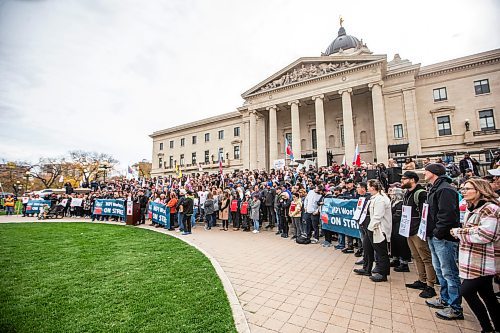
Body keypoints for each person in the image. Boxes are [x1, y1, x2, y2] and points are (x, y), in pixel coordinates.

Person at [450, 179, 499, 332]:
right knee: (488, 295)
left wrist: (459, 232)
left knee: (466, 291)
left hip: (484, 261)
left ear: (479, 190)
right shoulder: (472, 208)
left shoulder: (490, 209)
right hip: (473, 259)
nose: (463, 191)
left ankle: (487, 327)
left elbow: (486, 235)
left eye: (467, 188)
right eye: (462, 188)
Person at [423, 163, 463, 320]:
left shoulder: (445, 189)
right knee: (440, 270)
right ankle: (445, 299)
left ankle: (455, 307)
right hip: (434, 236)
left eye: (427, 171)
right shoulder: (435, 188)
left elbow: (447, 215)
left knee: (449, 272)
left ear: (434, 173)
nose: (424, 173)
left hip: (443, 238)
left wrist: (437, 233)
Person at [400, 171, 437, 299]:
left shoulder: (421, 194)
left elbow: (424, 214)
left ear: (412, 180)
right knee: (416, 256)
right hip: (408, 230)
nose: (402, 181)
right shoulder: (407, 193)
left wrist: (421, 230)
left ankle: (430, 285)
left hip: (417, 231)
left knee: (426, 257)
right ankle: (422, 280)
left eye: (404, 179)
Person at [365, 179, 392, 282]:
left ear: (373, 187)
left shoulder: (380, 199)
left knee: (381, 252)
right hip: (374, 228)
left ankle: (383, 273)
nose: (367, 187)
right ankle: (368, 268)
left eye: (368, 185)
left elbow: (377, 216)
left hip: (379, 229)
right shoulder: (375, 198)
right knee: (369, 248)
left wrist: (370, 228)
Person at [390, 188, 412, 273]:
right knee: (394, 242)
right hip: (393, 226)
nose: (391, 195)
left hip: (399, 226)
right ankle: (395, 259)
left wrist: (389, 219)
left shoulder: (401, 204)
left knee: (401, 244)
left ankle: (404, 263)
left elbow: (397, 215)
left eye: (393, 193)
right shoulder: (393, 202)